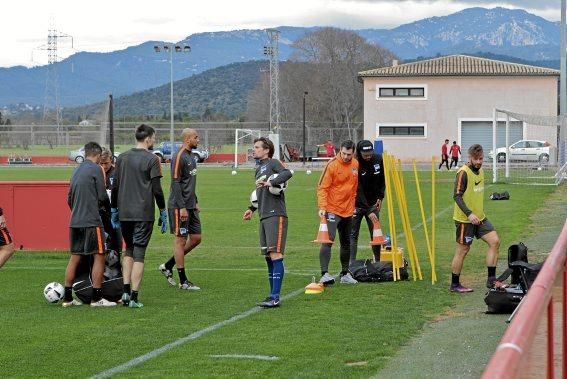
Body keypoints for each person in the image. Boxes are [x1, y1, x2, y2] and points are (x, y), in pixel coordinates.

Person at [111, 124, 167, 308]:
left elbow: (115, 186)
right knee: (139, 254)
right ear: (148, 139)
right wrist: (163, 211)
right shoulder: (152, 159)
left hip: (125, 213)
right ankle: (134, 297)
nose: (154, 141)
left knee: (128, 250)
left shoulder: (122, 158)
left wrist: (114, 209)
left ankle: (125, 292)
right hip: (143, 213)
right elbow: (157, 189)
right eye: (154, 138)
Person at [63, 142, 116, 307]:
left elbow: (69, 198)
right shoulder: (97, 169)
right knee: (99, 256)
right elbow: (102, 196)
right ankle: (97, 298)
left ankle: (67, 298)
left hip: (75, 221)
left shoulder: (76, 169)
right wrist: (109, 212)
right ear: (98, 155)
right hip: (92, 221)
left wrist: (77, 211)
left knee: (74, 258)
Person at [243, 137, 292, 308]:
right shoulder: (258, 169)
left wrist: (272, 182)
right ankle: (272, 295)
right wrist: (252, 208)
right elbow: (260, 194)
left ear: (266, 150)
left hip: (276, 215)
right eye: (254, 147)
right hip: (263, 215)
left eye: (257, 147)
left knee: (275, 254)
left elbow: (288, 173)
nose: (254, 150)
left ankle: (275, 296)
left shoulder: (272, 163)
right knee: (268, 257)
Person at [450, 144, 500, 293]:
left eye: (481, 159)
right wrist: (469, 214)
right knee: (463, 250)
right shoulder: (463, 173)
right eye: (476, 159)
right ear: (469, 158)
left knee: (495, 241)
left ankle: (491, 280)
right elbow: (457, 196)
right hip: (465, 220)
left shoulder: (481, 171)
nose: (479, 162)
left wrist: (476, 214)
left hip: (481, 219)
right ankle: (455, 284)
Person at [159, 129, 202, 290]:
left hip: (191, 205)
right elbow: (176, 183)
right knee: (180, 240)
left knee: (196, 238)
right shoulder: (179, 156)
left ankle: (168, 265)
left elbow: (188, 183)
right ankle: (183, 281)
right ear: (187, 139)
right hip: (179, 206)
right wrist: (182, 206)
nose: (198, 139)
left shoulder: (192, 156)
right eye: (196, 137)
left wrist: (195, 201)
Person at [317, 140, 359, 285]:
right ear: (340, 150)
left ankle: (345, 274)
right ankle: (324, 274)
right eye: (344, 153)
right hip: (332, 209)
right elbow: (322, 188)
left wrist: (353, 206)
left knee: (346, 242)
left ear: (353, 152)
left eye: (349, 154)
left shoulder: (355, 164)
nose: (346, 157)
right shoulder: (332, 165)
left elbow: (354, 187)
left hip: (348, 210)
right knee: (328, 240)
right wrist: (322, 207)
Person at [350, 140, 385, 263]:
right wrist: (367, 209)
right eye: (365, 155)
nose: (368, 156)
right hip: (356, 204)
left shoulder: (378, 159)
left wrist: (380, 197)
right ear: (359, 153)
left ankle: (378, 261)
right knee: (353, 235)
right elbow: (357, 188)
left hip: (373, 204)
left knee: (375, 233)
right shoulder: (355, 163)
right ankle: (351, 264)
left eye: (370, 153)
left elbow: (382, 180)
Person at [99, 148, 122, 253]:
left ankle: (116, 264)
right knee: (102, 244)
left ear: (111, 160)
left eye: (106, 163)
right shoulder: (97, 173)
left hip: (114, 212)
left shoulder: (116, 173)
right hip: (101, 212)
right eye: (101, 163)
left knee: (116, 240)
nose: (104, 166)